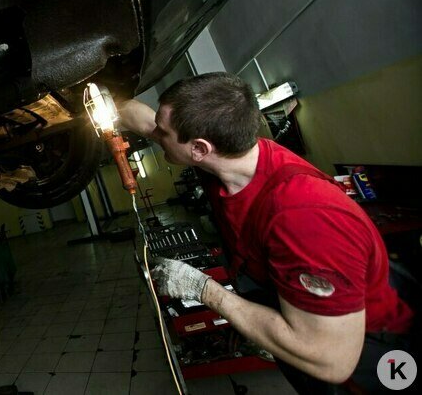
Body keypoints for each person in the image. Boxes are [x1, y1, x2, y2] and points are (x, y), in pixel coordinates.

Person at [118, 72, 416, 393]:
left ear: (200, 148)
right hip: (302, 328)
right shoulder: (230, 156)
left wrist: (204, 290)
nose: (155, 135)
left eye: (163, 133)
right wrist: (108, 102)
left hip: (366, 359)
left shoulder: (302, 216)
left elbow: (332, 361)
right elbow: (148, 123)